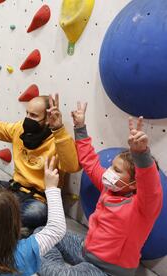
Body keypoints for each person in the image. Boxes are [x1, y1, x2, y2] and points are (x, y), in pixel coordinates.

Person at [38, 103, 163, 276]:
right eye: (112, 167)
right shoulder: (109, 187)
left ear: (135, 183)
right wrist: (80, 127)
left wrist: (141, 153)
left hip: (105, 270)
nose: (109, 172)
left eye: (117, 171)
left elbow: (151, 188)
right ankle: (66, 270)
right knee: (41, 234)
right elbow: (89, 162)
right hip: (84, 251)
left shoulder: (143, 207)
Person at [0, 78, 80, 231]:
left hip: (37, 200)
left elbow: (72, 166)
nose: (28, 119)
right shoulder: (19, 129)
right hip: (12, 190)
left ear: (48, 119)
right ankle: (6, 222)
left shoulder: (59, 139)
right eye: (27, 113)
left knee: (37, 213)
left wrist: (59, 129)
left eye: (34, 116)